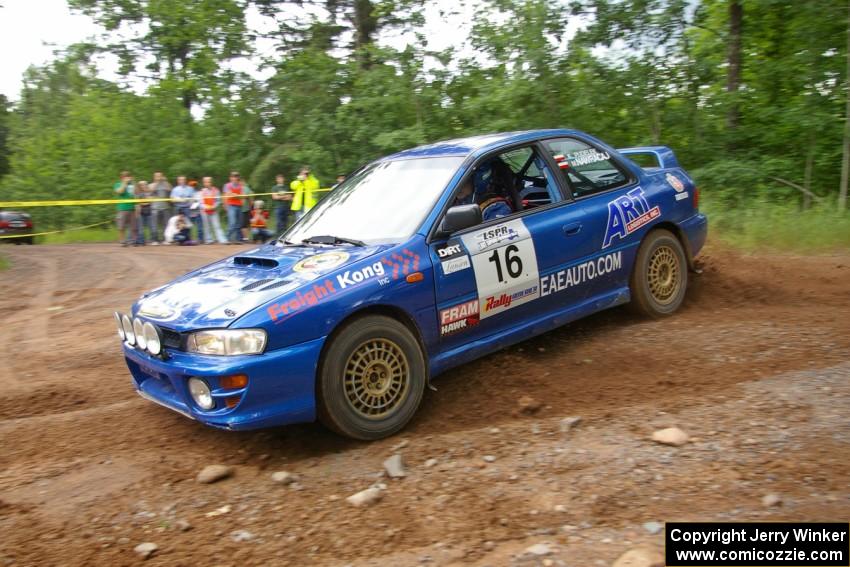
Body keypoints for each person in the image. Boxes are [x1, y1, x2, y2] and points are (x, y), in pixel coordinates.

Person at [200, 176, 227, 244]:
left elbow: (218, 201)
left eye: (208, 182)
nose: (207, 183)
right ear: (203, 183)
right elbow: (200, 202)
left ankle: (222, 240)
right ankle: (209, 240)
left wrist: (213, 206)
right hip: (205, 211)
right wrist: (206, 207)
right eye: (205, 182)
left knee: (217, 225)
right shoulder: (202, 191)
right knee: (207, 226)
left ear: (211, 182)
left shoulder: (216, 190)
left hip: (214, 211)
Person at [149, 171, 172, 245]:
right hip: (155, 207)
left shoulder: (165, 184)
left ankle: (165, 239)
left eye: (160, 176)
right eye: (157, 176)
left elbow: (170, 189)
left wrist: (165, 181)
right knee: (154, 224)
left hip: (165, 207)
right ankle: (154, 240)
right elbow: (151, 190)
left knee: (166, 224)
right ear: (154, 177)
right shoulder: (152, 184)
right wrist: (157, 182)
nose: (159, 177)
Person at [114, 170, 136, 246]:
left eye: (128, 176)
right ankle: (122, 241)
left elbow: (135, 194)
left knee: (133, 226)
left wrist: (133, 182)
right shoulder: (118, 184)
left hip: (132, 207)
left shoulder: (132, 185)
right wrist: (125, 183)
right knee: (121, 226)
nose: (126, 178)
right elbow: (120, 191)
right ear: (121, 178)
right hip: (122, 208)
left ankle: (133, 241)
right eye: (124, 177)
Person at [222, 171, 245, 244]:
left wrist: (235, 195)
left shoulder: (240, 186)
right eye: (233, 176)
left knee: (238, 224)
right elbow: (228, 194)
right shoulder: (227, 185)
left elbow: (243, 196)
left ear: (238, 178)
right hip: (231, 206)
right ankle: (227, 238)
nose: (235, 178)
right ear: (230, 178)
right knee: (232, 223)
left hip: (239, 206)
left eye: (236, 176)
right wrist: (225, 205)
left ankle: (237, 239)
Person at [135, 180, 153, 245]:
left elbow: (150, 201)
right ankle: (142, 241)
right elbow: (137, 203)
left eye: (144, 184)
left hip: (149, 211)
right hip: (141, 212)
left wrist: (143, 203)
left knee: (151, 227)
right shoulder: (138, 193)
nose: (143, 186)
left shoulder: (150, 192)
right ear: (139, 186)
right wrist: (144, 202)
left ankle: (152, 240)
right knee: (141, 228)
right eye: (141, 185)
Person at [188, 179, 204, 244]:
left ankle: (200, 239)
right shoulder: (188, 193)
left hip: (197, 212)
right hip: (190, 213)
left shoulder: (199, 193)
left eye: (194, 185)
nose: (193, 186)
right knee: (188, 227)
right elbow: (188, 203)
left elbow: (200, 202)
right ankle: (188, 239)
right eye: (191, 185)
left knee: (199, 228)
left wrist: (195, 204)